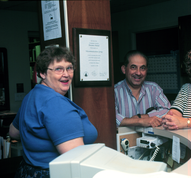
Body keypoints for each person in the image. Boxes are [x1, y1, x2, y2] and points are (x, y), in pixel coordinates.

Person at [9, 46, 98, 178]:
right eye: (58, 69)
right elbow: (75, 159)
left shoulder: (32, 96)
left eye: (69, 68)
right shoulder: (56, 103)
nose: (66, 74)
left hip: (28, 171)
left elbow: (13, 132)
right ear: (42, 74)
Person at [115, 50, 171, 128]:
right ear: (124, 69)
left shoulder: (153, 89)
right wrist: (140, 121)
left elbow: (168, 111)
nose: (138, 73)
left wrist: (143, 116)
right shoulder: (114, 92)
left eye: (142, 68)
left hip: (151, 138)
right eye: (133, 67)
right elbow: (112, 118)